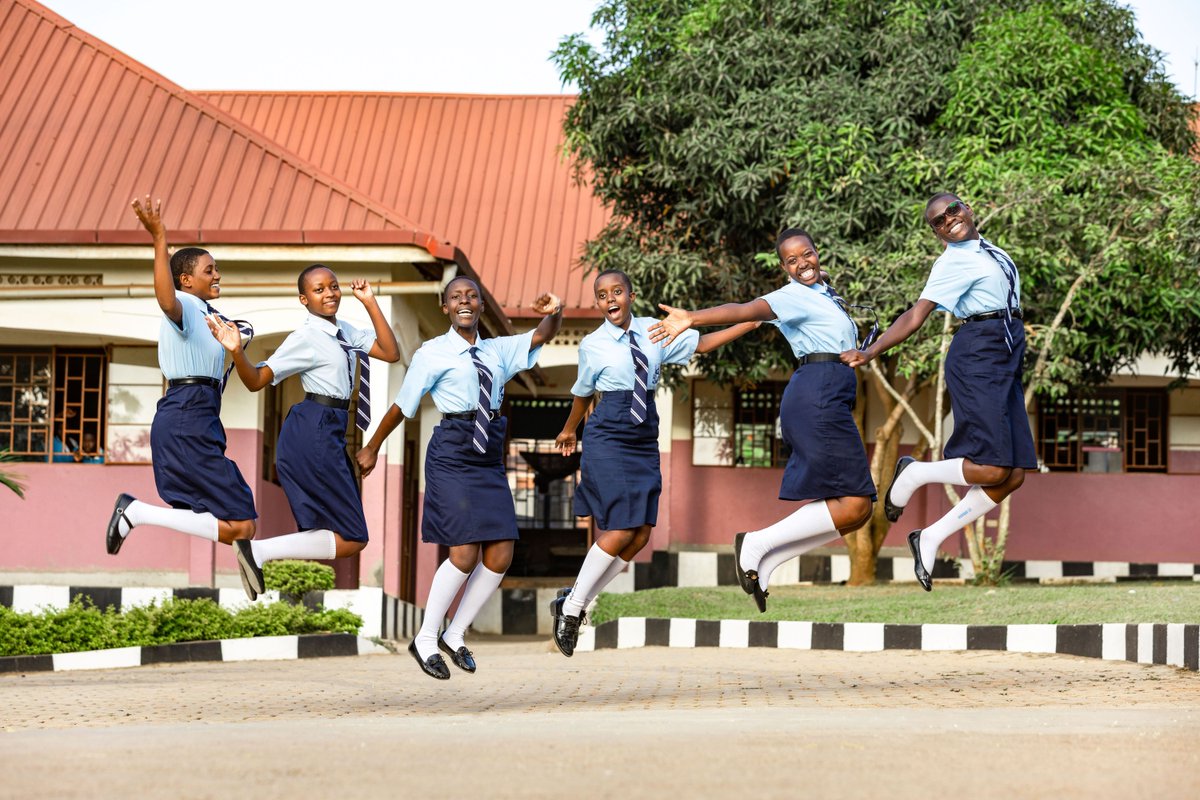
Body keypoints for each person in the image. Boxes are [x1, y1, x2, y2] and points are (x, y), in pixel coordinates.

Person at [649, 232, 877, 613]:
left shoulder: (825, 293)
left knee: (859, 511)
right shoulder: (789, 296)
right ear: (784, 268)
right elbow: (743, 309)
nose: (802, 263)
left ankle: (766, 559)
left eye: (807, 254)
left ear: (818, 254)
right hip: (816, 396)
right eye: (792, 260)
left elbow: (753, 322)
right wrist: (693, 319)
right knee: (854, 505)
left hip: (829, 395)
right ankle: (756, 543)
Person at [356, 276, 563, 680]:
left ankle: (455, 633)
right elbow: (403, 404)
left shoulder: (497, 350)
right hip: (452, 449)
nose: (464, 302)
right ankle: (427, 638)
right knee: (464, 553)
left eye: (471, 296)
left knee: (501, 551)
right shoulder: (432, 353)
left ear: (481, 305)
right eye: (456, 298)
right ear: (445, 307)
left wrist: (555, 311)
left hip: (488, 452)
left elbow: (541, 335)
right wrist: (373, 445)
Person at [548, 269, 761, 656]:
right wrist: (568, 431)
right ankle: (574, 609)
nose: (610, 299)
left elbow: (705, 345)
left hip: (644, 433)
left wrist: (752, 319)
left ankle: (572, 600)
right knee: (619, 527)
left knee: (641, 534)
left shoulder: (655, 330)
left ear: (631, 294)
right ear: (597, 303)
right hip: (608, 433)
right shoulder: (593, 345)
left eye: (617, 291)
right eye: (602, 295)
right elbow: (582, 394)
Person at [842, 193, 1036, 590]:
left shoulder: (990, 250)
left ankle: (929, 536)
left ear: (966, 208)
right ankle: (915, 472)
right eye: (938, 222)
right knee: (992, 468)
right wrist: (872, 350)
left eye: (952, 211)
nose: (948, 221)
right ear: (936, 234)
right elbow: (917, 314)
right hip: (978, 354)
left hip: (1006, 353)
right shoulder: (951, 262)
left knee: (1013, 475)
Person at [209, 264, 400, 601]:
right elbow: (256, 382)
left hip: (329, 431)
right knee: (354, 536)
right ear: (303, 298)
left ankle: (258, 552)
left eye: (333, 286)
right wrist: (237, 352)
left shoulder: (344, 331)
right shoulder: (305, 338)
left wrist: (370, 302)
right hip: (313, 429)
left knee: (345, 535)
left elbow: (390, 352)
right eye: (319, 289)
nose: (329, 294)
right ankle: (259, 552)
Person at [105, 197, 257, 561]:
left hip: (197, 416)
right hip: (187, 415)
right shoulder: (186, 306)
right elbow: (166, 298)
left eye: (216, 269)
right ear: (187, 280)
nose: (217, 275)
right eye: (209, 270)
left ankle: (138, 512)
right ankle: (135, 512)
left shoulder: (213, 317)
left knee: (242, 526)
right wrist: (160, 239)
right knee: (242, 521)